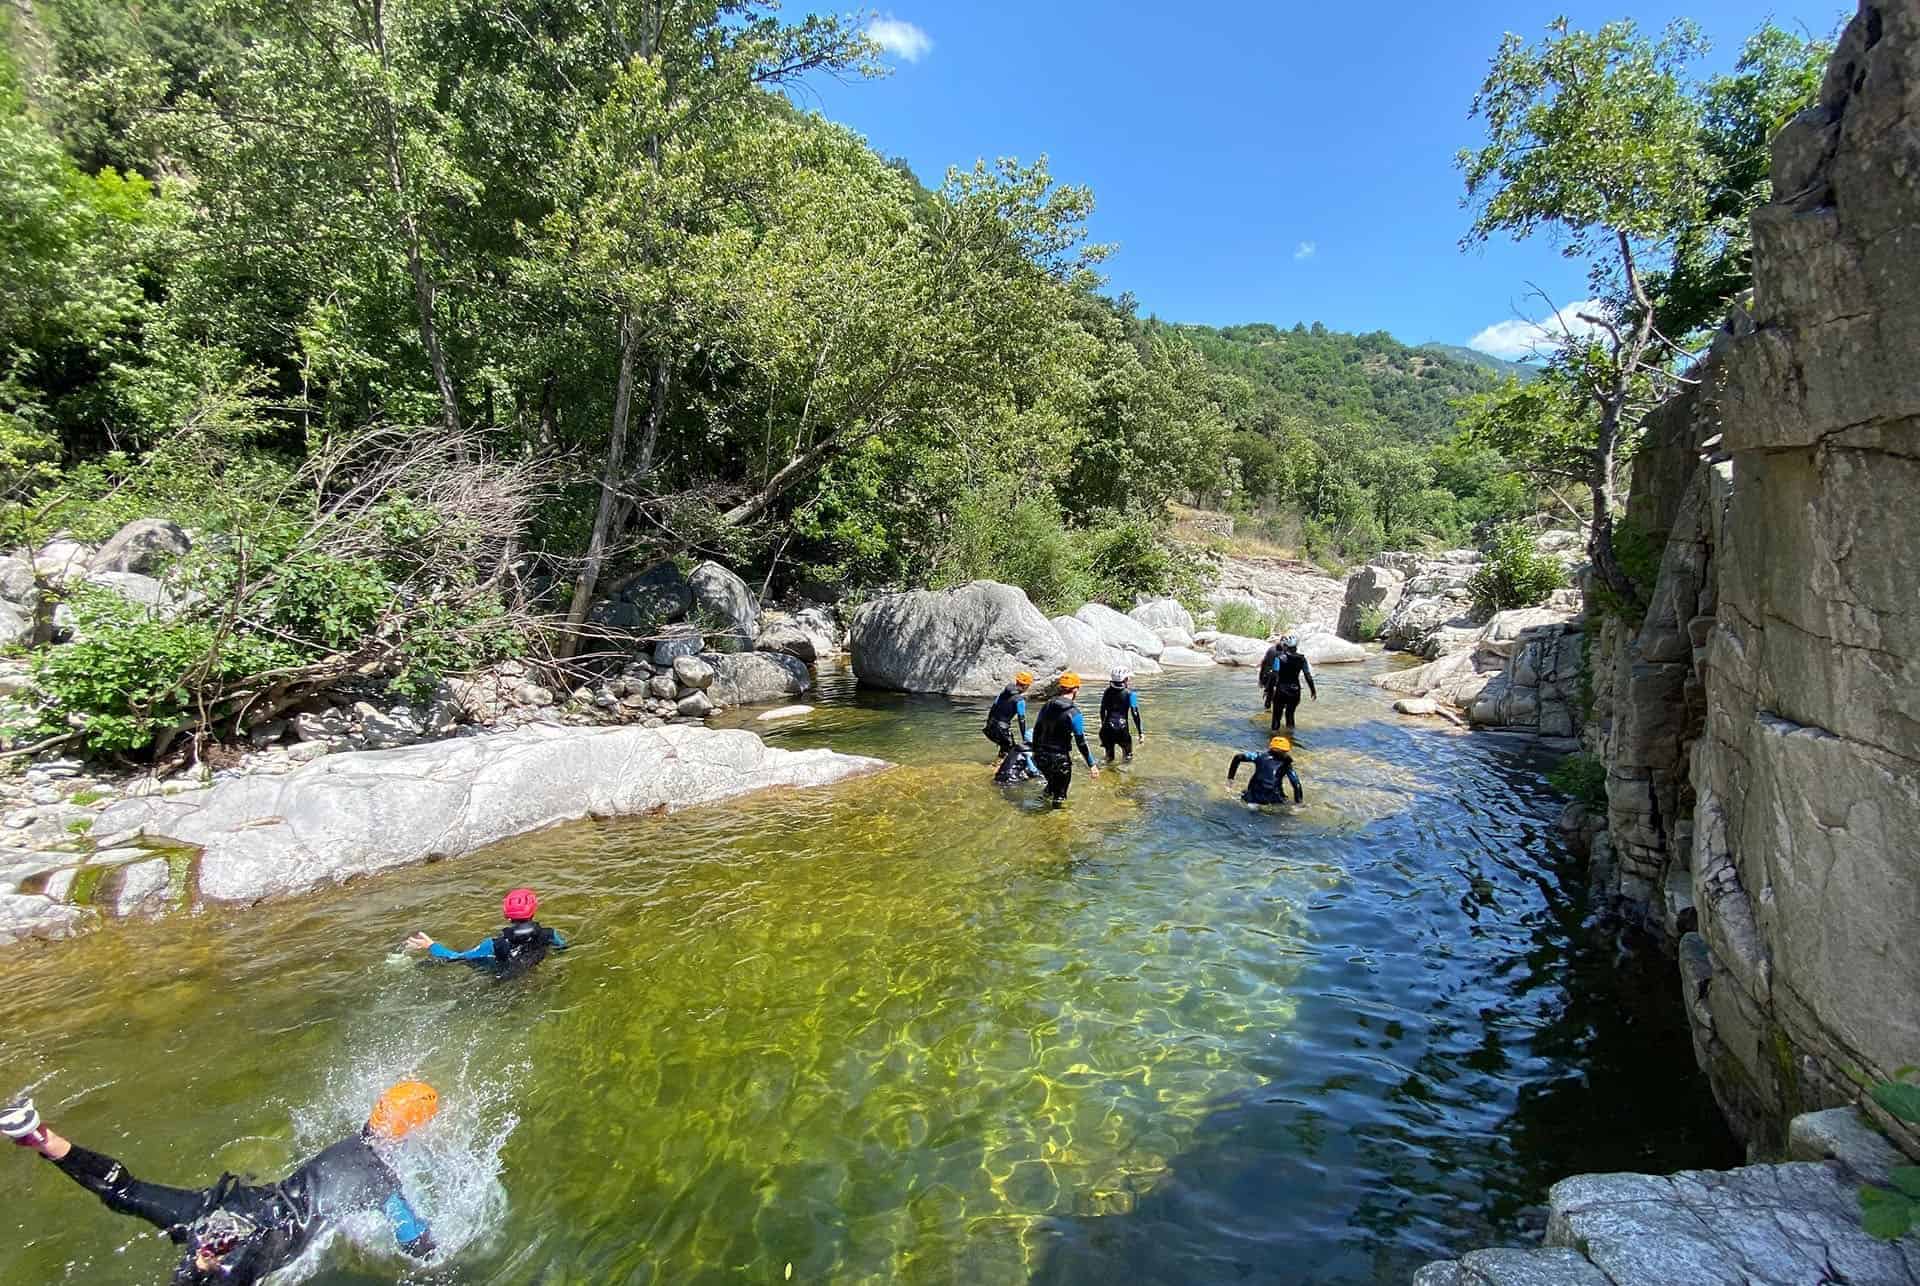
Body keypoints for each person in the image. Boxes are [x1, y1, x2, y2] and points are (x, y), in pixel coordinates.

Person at [2, 1082, 440, 1284]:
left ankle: (42, 1139)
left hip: (234, 1206)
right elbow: (416, 1245)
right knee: (209, 1274)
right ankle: (203, 1269)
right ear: (414, 1129)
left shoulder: (346, 1143)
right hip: (266, 1238)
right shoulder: (384, 1182)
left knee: (128, 1192)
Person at [406, 887, 567, 978]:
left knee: (433, 963)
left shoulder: (493, 944)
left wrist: (431, 945)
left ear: (506, 915)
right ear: (534, 910)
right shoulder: (550, 934)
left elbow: (455, 958)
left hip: (502, 977)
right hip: (529, 970)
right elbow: (562, 948)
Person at [1029, 672, 1099, 804]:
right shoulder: (1074, 713)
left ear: (1061, 688)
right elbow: (1081, 742)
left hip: (1041, 757)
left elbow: (1037, 729)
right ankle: (1057, 823)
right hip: (1059, 760)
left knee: (1050, 786)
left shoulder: (1047, 705)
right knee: (1060, 798)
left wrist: (1035, 752)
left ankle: (1037, 807)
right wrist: (1092, 764)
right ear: (1076, 689)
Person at [1228, 736, 1304, 805]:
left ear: (1271, 748)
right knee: (1285, 800)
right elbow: (1296, 784)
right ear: (1285, 751)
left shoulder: (1259, 756)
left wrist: (1230, 779)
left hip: (1253, 797)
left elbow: (1238, 757)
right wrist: (1298, 804)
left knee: (1244, 792)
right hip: (1273, 799)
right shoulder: (1287, 765)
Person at [1264, 635, 1317, 733]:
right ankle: (1291, 738)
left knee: (1276, 717)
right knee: (1290, 715)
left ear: (1285, 647)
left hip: (1281, 691)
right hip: (1295, 691)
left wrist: (1268, 692)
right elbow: (1308, 676)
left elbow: (1274, 676)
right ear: (1296, 647)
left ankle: (1273, 739)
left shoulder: (1279, 659)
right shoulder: (1302, 659)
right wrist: (1313, 690)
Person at [1097, 667, 1145, 764]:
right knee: (1128, 757)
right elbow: (1135, 713)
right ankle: (1123, 776)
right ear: (1126, 679)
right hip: (1122, 730)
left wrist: (1103, 726)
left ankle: (1105, 775)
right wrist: (1140, 733)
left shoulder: (1107, 692)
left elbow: (1102, 710)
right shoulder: (1130, 694)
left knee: (1109, 758)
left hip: (1107, 728)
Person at [983, 671, 1034, 758]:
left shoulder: (1003, 693)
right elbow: (1021, 719)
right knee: (1012, 753)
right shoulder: (1019, 700)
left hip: (990, 727)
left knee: (1005, 749)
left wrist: (989, 724)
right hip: (1002, 729)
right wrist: (1024, 737)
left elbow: (994, 707)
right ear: (1026, 686)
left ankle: (995, 765)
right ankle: (997, 767)